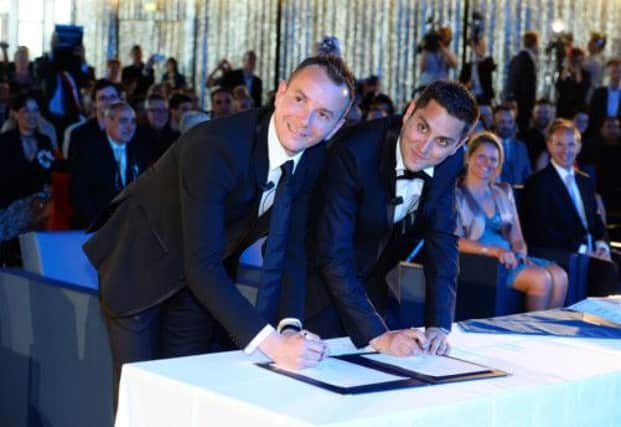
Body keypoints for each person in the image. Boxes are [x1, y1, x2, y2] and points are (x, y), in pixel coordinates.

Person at [82, 55, 354, 404]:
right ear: (281, 93)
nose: (305, 121)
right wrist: (272, 345)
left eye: (323, 114)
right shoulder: (216, 147)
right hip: (141, 265)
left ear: (336, 126)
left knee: (189, 391)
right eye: (300, 100)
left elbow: (291, 248)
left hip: (202, 274)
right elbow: (202, 265)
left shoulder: (312, 157)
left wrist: (289, 325)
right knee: (144, 397)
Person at [305, 81, 478, 356]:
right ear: (409, 112)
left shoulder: (450, 163)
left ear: (458, 146)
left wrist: (439, 325)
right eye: (423, 127)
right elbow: (334, 255)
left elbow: (443, 241)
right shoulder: (354, 152)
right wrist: (377, 334)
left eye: (443, 141)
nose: (425, 147)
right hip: (312, 282)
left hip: (372, 282)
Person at [455, 132, 568, 311]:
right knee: (541, 279)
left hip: (510, 257)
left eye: (493, 159)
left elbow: (517, 237)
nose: (487, 163)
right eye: (481, 157)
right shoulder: (456, 194)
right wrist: (494, 251)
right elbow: (455, 241)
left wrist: (521, 253)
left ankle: (546, 335)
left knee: (560, 276)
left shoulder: (503, 192)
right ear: (469, 158)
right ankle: (530, 336)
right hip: (481, 261)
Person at [523, 119, 619, 297]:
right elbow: (544, 231)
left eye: (571, 144)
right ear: (549, 146)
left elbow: (596, 222)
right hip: (567, 254)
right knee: (608, 270)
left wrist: (601, 246)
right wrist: (585, 251)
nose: (566, 150)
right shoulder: (538, 183)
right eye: (559, 144)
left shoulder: (585, 181)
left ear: (579, 146)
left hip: (593, 252)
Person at [70, 102, 149, 228]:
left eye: (133, 122)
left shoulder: (139, 151)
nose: (130, 127)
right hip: (96, 225)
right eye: (123, 121)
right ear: (107, 122)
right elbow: (80, 196)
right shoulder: (88, 151)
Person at [507, 30, 539, 133]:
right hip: (523, 105)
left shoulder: (516, 58)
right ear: (535, 43)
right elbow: (527, 87)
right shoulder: (527, 60)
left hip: (517, 102)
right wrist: (530, 106)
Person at [493, 105, 532, 184]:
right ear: (494, 122)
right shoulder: (486, 145)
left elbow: (528, 175)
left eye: (510, 122)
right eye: (502, 122)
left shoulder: (521, 147)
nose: (506, 126)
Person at [459, 38, 496, 105]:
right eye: (479, 46)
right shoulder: (467, 66)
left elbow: (492, 67)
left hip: (485, 100)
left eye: (483, 46)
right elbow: (461, 85)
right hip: (470, 100)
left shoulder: (487, 62)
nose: (482, 49)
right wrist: (467, 85)